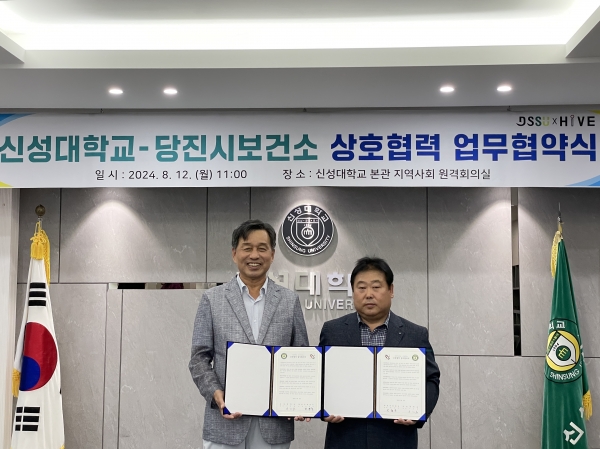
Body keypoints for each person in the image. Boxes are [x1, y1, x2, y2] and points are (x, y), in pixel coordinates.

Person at [189, 219, 310, 449]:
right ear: (234, 253)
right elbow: (198, 359)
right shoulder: (212, 299)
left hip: (273, 425)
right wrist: (216, 394)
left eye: (262, 248)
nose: (254, 255)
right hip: (224, 424)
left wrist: (300, 399)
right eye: (247, 248)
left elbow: (301, 356)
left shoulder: (289, 301)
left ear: (272, 255)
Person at [319, 256, 440, 449]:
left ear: (391, 290)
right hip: (345, 439)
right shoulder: (333, 330)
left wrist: (418, 412)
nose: (369, 294)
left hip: (396, 439)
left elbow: (431, 379)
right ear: (352, 291)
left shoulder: (415, 334)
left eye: (376, 287)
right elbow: (320, 376)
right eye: (361, 287)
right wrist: (322, 408)